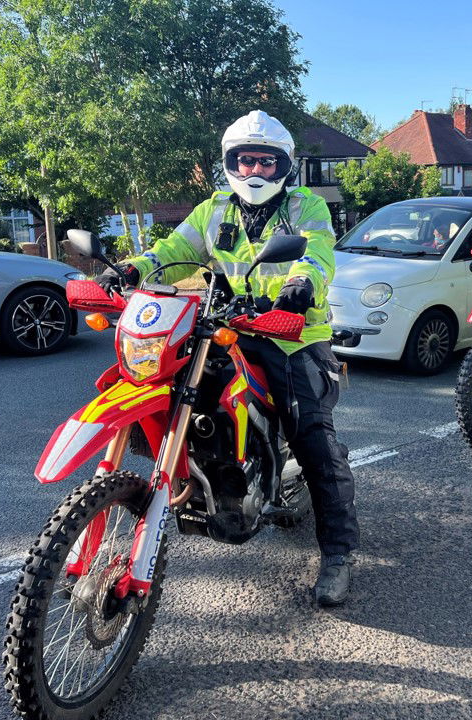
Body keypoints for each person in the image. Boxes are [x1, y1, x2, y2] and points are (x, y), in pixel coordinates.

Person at [95, 110, 359, 606]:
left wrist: (301, 284)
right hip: (225, 325)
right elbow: (174, 248)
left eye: (265, 161)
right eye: (245, 161)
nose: (255, 171)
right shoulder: (213, 209)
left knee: (314, 443)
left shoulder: (306, 208)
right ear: (229, 164)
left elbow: (317, 252)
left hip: (290, 333)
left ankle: (338, 554)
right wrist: (132, 268)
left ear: (284, 165)